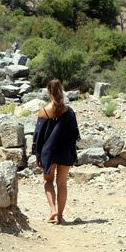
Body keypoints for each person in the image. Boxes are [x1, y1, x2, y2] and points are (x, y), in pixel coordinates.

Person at [31, 79, 79, 225]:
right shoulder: (69, 112)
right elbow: (75, 134)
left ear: (48, 92)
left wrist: (37, 154)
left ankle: (53, 209)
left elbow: (37, 136)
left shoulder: (44, 112)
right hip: (65, 152)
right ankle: (60, 216)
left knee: (48, 181)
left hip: (49, 152)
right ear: (61, 91)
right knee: (62, 184)